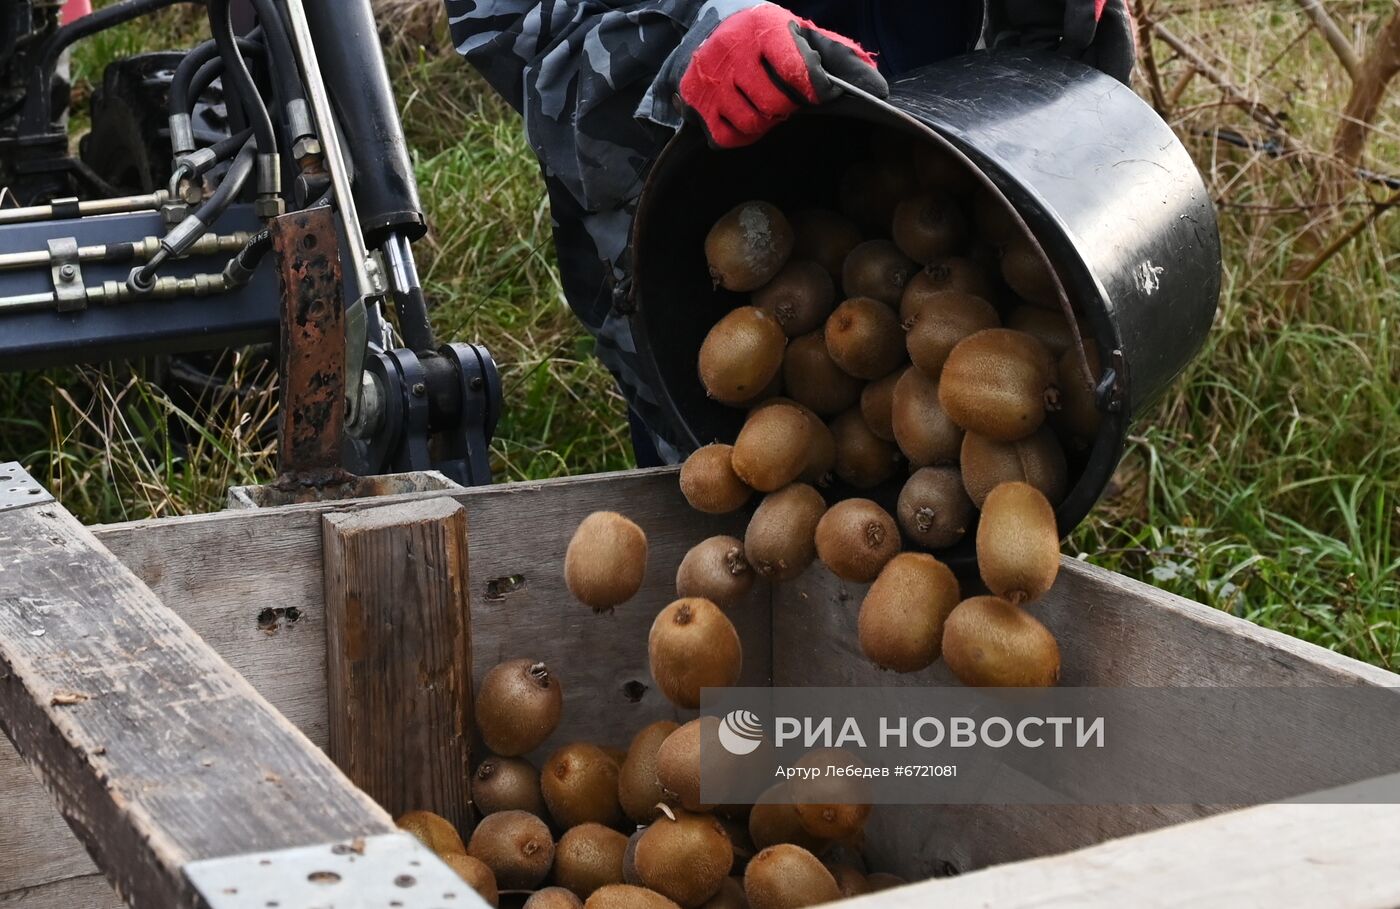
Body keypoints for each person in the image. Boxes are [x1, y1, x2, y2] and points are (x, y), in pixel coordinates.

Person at [444, 0, 1134, 465]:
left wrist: (1057, 31)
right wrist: (682, 51)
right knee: (743, 558)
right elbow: (506, 17)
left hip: (969, 191)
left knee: (974, 544)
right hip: (706, 223)